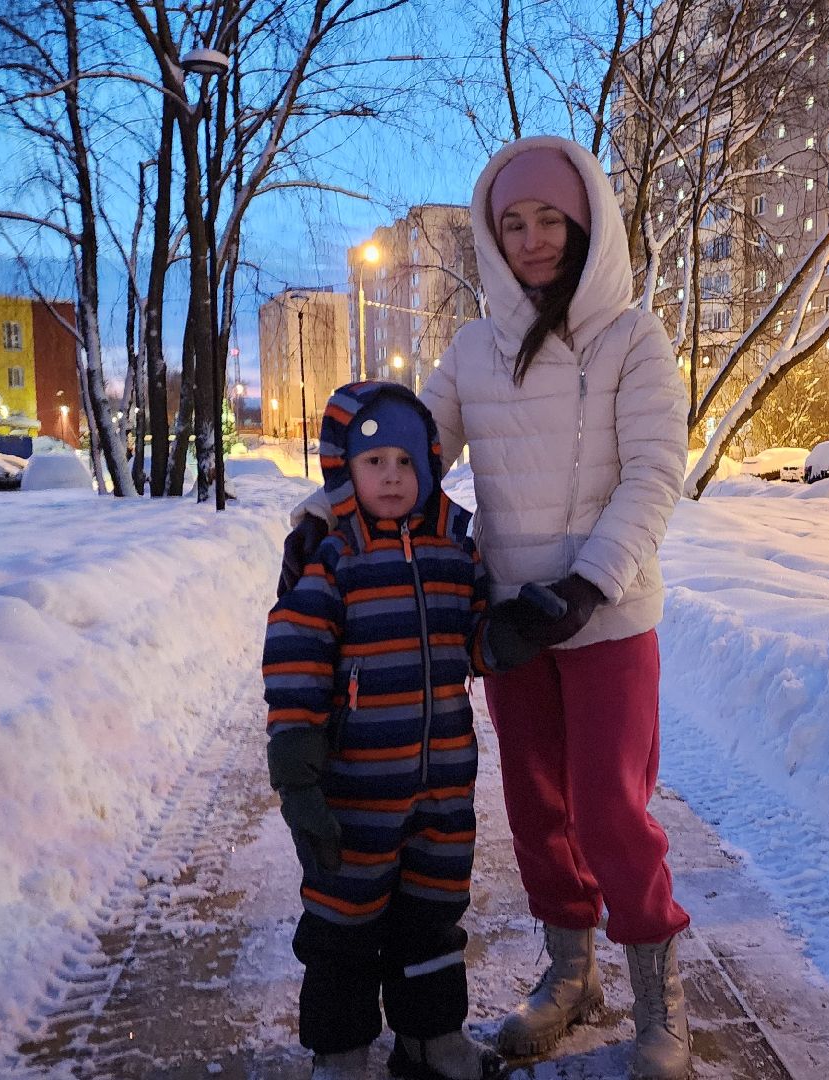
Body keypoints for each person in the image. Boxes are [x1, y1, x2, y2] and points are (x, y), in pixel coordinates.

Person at [281, 136, 693, 1080]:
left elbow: (655, 475)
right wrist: (321, 515)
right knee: (536, 804)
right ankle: (571, 975)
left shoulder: (636, 339)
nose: (533, 239)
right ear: (490, 235)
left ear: (587, 221)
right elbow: (405, 447)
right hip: (511, 622)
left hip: (607, 615)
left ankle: (658, 997)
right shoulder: (475, 348)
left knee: (609, 807)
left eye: (550, 218)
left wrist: (589, 583)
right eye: (513, 224)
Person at [262, 380, 548, 1080]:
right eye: (373, 462)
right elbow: (296, 655)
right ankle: (341, 1053)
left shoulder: (456, 549)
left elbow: (468, 642)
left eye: (406, 462)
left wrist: (504, 638)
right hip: (357, 791)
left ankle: (431, 1040)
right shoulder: (332, 556)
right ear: (343, 470)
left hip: (443, 785)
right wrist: (297, 763)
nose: (392, 477)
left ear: (429, 466)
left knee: (434, 916)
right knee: (343, 927)